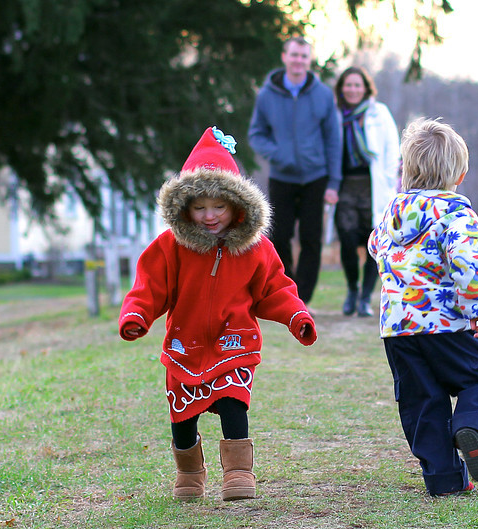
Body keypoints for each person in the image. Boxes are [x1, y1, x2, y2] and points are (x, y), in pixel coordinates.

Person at [119, 127, 318, 502]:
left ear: (237, 204)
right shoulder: (171, 246)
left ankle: (239, 472)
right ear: (184, 207)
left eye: (219, 207)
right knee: (182, 415)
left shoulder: (255, 248)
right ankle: (189, 473)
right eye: (199, 207)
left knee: (233, 402)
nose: (209, 216)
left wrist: (296, 316)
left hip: (234, 341)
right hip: (185, 344)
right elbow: (149, 286)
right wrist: (137, 315)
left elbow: (274, 288)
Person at [367, 118, 478, 496]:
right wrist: (477, 307)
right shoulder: (457, 213)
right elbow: (467, 263)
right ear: (459, 174)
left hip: (398, 327)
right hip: (446, 323)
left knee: (421, 402)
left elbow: (376, 247)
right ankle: (472, 427)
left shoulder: (392, 212)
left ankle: (444, 480)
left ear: (407, 171)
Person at [248, 36, 342, 310]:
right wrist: (278, 154)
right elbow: (256, 134)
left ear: (309, 60)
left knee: (312, 239)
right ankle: (287, 294)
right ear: (284, 57)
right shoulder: (267, 95)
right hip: (282, 177)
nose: (298, 60)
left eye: (303, 56)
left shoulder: (323, 94)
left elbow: (333, 140)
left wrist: (334, 182)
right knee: (279, 237)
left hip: (316, 177)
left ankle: (303, 299)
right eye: (294, 55)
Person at [334, 66, 400, 317]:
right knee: (347, 238)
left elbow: (392, 146)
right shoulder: (335, 114)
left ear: (365, 88)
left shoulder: (379, 112)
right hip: (345, 186)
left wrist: (390, 177)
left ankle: (365, 298)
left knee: (374, 241)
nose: (352, 89)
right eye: (348, 85)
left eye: (357, 85)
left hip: (374, 185)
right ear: (341, 88)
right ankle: (352, 289)